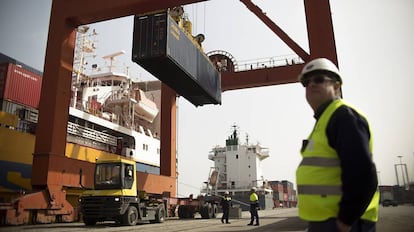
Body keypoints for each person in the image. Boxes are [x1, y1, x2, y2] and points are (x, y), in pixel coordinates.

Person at [296, 58, 380, 232]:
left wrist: (346, 219)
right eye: (306, 82)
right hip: (327, 222)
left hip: (344, 223)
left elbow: (364, 173)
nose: (311, 84)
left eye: (318, 79)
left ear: (336, 86)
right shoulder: (325, 120)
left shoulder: (343, 117)